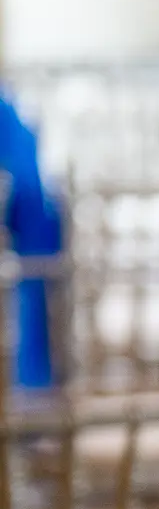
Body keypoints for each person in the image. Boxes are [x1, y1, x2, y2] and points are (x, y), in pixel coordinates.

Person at [0, 91, 62, 389]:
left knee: (32, 296)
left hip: (32, 225)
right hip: (33, 224)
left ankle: (32, 384)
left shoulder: (9, 118)